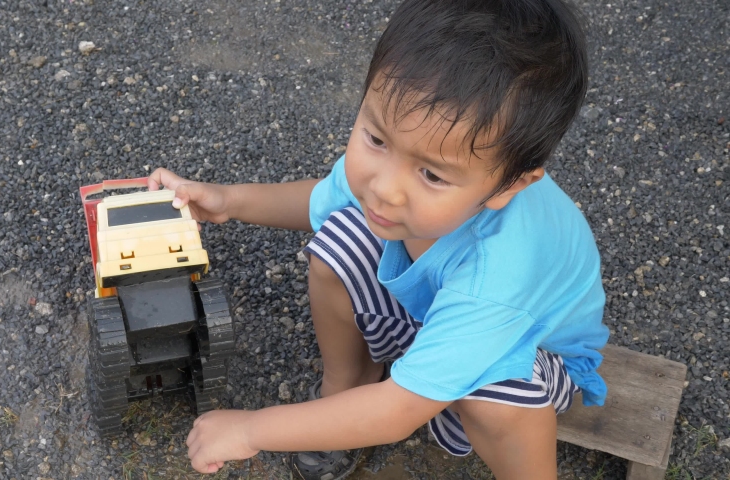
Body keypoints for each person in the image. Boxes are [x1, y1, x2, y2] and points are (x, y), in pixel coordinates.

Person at [148, 0, 609, 478]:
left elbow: (398, 412)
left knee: (492, 397)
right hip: (442, 303)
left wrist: (250, 430)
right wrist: (228, 201)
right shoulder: (409, 166)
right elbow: (321, 201)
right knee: (341, 240)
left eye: (431, 174)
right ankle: (345, 391)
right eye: (376, 139)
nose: (385, 187)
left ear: (510, 185)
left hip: (536, 354)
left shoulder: (499, 278)